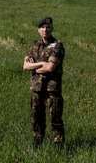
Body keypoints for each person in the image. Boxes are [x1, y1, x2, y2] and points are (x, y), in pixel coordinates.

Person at [23, 17, 65, 147]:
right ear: (38, 30)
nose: (45, 29)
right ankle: (37, 145)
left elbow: (50, 67)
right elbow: (25, 66)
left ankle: (58, 148)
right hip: (36, 89)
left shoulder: (57, 46)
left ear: (52, 28)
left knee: (55, 120)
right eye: (42, 27)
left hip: (52, 90)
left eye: (48, 27)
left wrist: (36, 66)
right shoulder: (35, 46)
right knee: (36, 119)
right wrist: (41, 63)